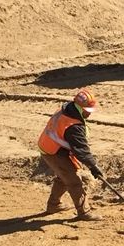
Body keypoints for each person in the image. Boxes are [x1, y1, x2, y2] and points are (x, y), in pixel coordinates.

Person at [38, 88, 104, 220]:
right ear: (80, 107)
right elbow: (81, 150)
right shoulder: (73, 126)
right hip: (54, 151)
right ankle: (84, 212)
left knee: (64, 176)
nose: (89, 114)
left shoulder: (67, 108)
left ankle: (53, 205)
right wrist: (93, 167)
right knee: (73, 180)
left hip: (48, 145)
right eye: (87, 111)